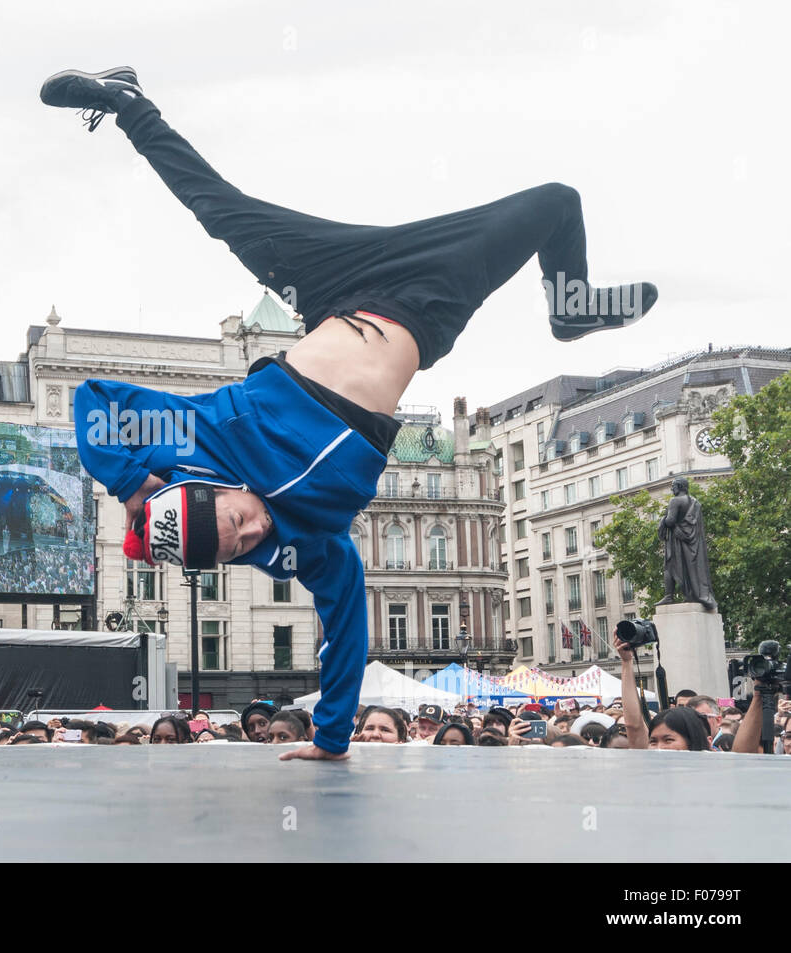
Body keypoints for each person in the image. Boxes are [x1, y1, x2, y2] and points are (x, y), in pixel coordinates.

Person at [42, 67, 657, 763]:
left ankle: (127, 103)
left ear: (208, 485)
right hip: (423, 303)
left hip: (332, 280)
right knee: (554, 200)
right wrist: (332, 739)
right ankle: (570, 308)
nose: (253, 532)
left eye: (237, 521)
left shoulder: (198, 434)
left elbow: (95, 403)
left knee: (222, 212)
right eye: (241, 548)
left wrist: (132, 485)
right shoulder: (305, 543)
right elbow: (345, 628)